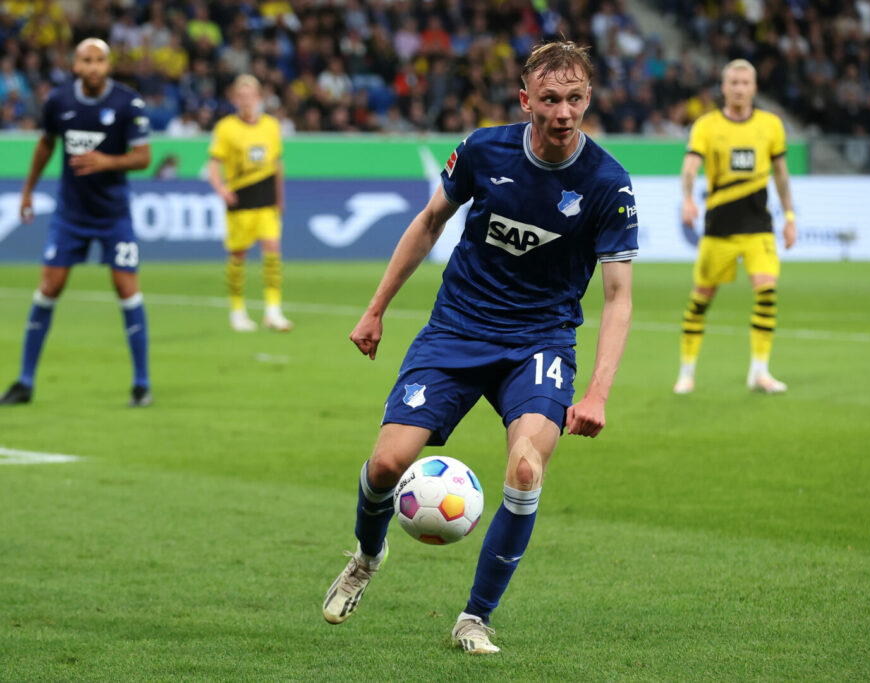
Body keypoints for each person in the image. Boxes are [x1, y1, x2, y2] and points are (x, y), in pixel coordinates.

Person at [321, 41, 636, 654]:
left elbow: (619, 296)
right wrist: (376, 308)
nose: (564, 112)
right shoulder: (484, 149)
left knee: (525, 468)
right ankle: (365, 556)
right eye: (550, 99)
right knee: (386, 466)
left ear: (588, 99)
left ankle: (475, 617)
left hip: (539, 341)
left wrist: (598, 390)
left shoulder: (607, 183)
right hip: (457, 330)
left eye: (575, 99)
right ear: (526, 101)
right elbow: (430, 223)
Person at [0, 38, 152, 407]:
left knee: (126, 288)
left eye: (101, 60)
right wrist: (27, 192)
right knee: (49, 287)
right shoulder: (59, 101)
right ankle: (24, 380)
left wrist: (106, 162)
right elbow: (45, 145)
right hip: (71, 215)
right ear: (76, 66)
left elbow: (143, 157)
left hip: (114, 215)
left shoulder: (127, 104)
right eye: (88, 60)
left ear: (108, 65)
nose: (95, 66)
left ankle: (141, 383)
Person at [675, 59, 796, 396]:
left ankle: (760, 370)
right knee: (701, 300)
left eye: (746, 82)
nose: (740, 88)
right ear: (724, 88)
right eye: (734, 82)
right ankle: (686, 372)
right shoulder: (707, 125)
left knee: (767, 291)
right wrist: (687, 198)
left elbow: (782, 175)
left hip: (759, 225)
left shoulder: (771, 125)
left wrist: (789, 217)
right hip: (720, 227)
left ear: (754, 88)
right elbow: (689, 166)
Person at [207, 74, 292, 332]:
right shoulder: (225, 128)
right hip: (240, 198)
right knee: (238, 256)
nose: (246, 100)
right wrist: (221, 189)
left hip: (266, 199)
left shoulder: (271, 126)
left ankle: (273, 311)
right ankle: (237, 311)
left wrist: (280, 198)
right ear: (234, 98)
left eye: (250, 95)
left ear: (258, 97)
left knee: (272, 252)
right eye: (240, 96)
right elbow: (213, 165)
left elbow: (277, 165)